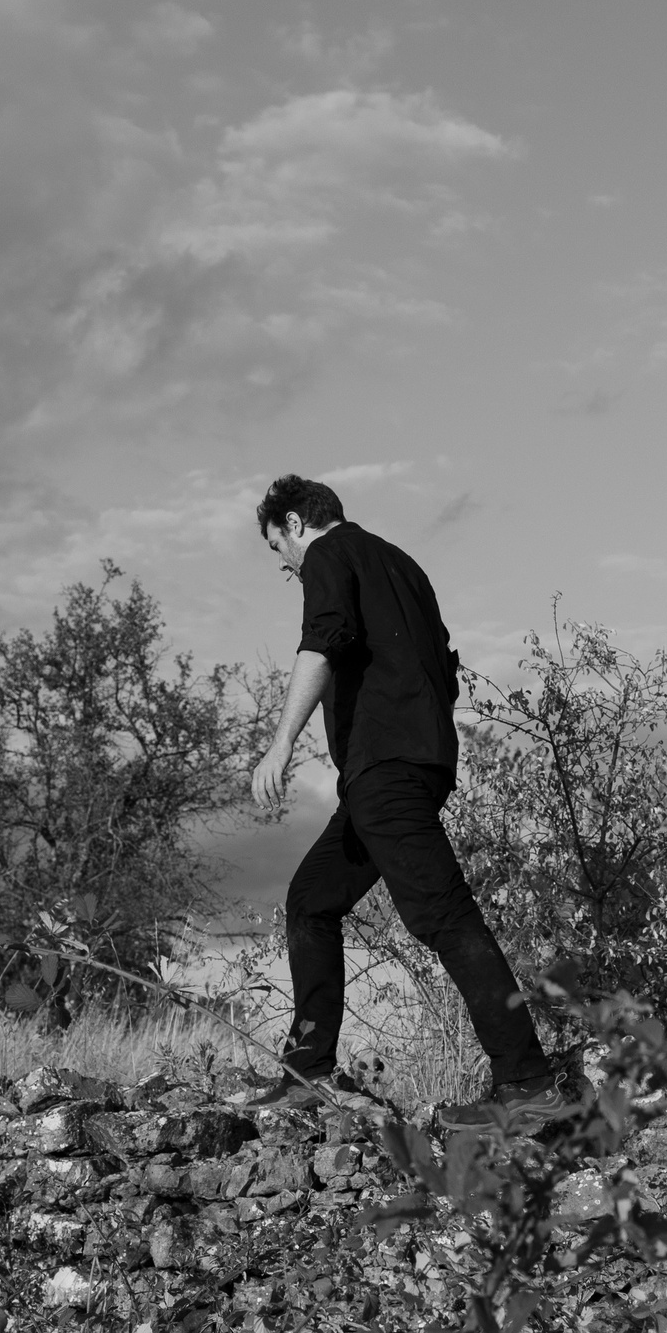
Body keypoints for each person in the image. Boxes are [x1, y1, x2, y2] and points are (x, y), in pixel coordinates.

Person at [245, 473, 564, 1128]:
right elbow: (442, 671)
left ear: (296, 525)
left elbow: (324, 641)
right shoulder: (404, 568)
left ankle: (529, 1082)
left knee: (444, 914)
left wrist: (280, 744)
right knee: (312, 898)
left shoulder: (331, 555)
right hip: (406, 764)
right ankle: (310, 1069)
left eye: (281, 549)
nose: (289, 565)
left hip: (385, 769)